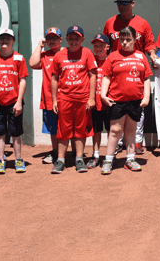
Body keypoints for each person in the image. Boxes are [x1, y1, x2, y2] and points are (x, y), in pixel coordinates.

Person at [103, 0, 156, 155]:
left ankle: (137, 142)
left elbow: (149, 44)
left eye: (125, 3)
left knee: (136, 107)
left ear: (132, 4)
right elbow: (105, 46)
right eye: (119, 3)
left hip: (135, 72)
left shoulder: (142, 23)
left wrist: (153, 55)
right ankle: (118, 143)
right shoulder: (110, 23)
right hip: (117, 72)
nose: (122, 6)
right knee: (116, 108)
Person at [100, 26, 152, 174]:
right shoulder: (113, 56)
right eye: (122, 39)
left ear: (135, 40)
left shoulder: (141, 56)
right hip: (117, 100)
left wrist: (146, 96)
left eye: (128, 40)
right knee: (115, 130)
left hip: (135, 100)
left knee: (131, 130)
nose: (124, 43)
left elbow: (146, 78)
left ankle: (130, 159)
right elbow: (106, 77)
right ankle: (108, 160)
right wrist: (103, 95)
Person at [50, 25, 97, 174]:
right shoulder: (59, 55)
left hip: (82, 100)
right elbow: (54, 78)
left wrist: (91, 98)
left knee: (80, 130)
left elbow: (93, 75)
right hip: (65, 99)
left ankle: (79, 159)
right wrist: (54, 100)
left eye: (77, 38)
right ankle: (61, 160)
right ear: (67, 39)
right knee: (63, 131)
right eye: (71, 38)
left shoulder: (87, 53)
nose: (74, 41)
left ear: (82, 39)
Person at [0, 28, 28, 174]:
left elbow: (22, 80)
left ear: (13, 41)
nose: (4, 41)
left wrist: (19, 101)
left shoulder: (19, 58)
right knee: (0, 132)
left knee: (15, 133)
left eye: (8, 38)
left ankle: (18, 160)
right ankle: (0, 161)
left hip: (14, 102)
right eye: (2, 38)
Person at [29, 27, 64, 164]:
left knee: (69, 127)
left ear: (60, 39)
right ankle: (55, 152)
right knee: (53, 129)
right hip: (49, 98)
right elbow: (32, 63)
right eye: (49, 38)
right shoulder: (44, 55)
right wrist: (39, 46)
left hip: (66, 97)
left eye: (55, 38)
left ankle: (73, 153)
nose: (52, 41)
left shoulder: (67, 53)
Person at [87, 34, 111, 168]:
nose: (98, 48)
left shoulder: (111, 61)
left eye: (101, 45)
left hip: (109, 105)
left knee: (110, 131)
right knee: (96, 131)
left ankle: (109, 156)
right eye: (96, 46)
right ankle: (95, 155)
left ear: (107, 47)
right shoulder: (91, 61)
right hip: (95, 104)